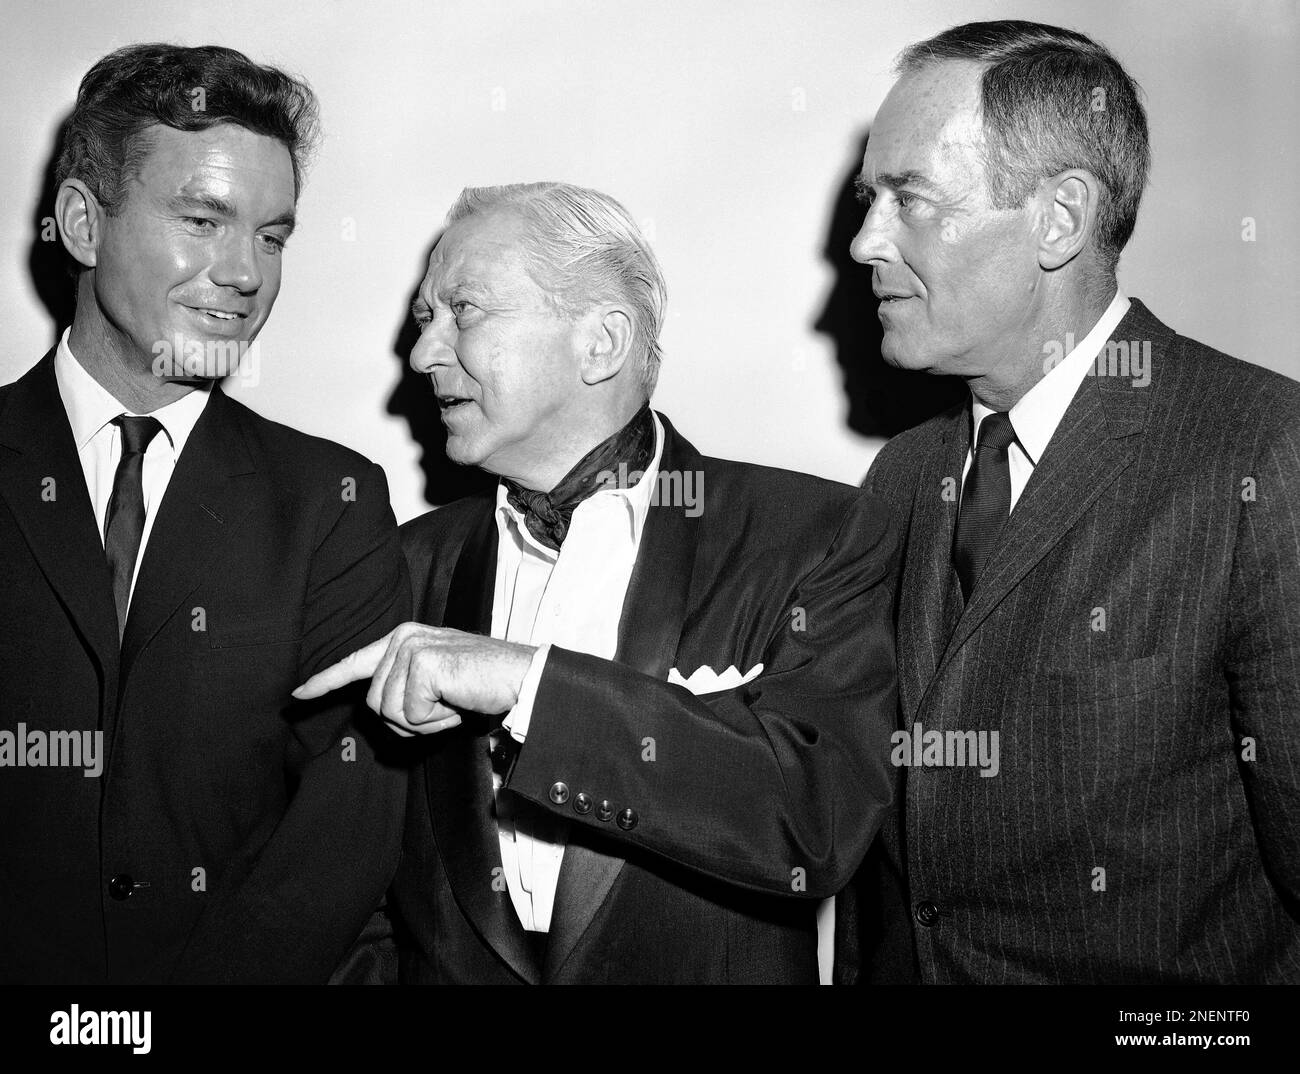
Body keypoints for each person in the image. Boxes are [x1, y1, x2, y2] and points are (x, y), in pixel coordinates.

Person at [296, 182, 899, 984]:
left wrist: (525, 682)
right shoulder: (401, 566)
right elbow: (339, 886)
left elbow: (815, 818)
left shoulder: (812, 535)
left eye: (464, 312)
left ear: (602, 342)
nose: (424, 354)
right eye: (423, 319)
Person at [836, 19, 1300, 984]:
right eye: (868, 199)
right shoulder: (905, 475)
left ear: (1060, 217)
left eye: (909, 198)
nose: (865, 240)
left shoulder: (1261, 450)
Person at [0, 43, 408, 984]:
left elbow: (345, 832)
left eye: (272, 237)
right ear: (81, 224)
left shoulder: (332, 504)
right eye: (201, 220)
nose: (245, 274)